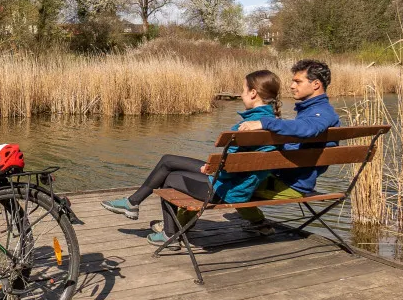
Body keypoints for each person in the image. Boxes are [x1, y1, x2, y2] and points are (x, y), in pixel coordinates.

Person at [101, 70, 284, 244]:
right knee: (168, 160)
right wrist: (214, 168)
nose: (241, 94)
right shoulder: (277, 125)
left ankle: (167, 232)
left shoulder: (247, 128)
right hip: (241, 186)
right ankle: (132, 203)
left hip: (224, 190)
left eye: (243, 90)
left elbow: (227, 169)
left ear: (253, 93)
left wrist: (211, 169)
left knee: (169, 177)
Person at [234, 58, 341, 229]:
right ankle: (258, 223)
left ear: (316, 84)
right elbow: (302, 138)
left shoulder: (322, 113)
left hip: (291, 185)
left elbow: (308, 129)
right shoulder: (313, 111)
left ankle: (258, 223)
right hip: (289, 179)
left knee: (225, 182)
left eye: (297, 81)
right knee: (234, 175)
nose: (292, 86)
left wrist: (265, 123)